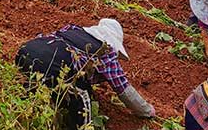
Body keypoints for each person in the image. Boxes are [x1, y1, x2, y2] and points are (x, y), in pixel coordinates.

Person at [16, 18, 155, 129]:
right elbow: (123, 88)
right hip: (51, 65)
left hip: (25, 51)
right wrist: (146, 111)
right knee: (82, 98)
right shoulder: (107, 51)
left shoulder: (72, 30)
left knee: (32, 91)